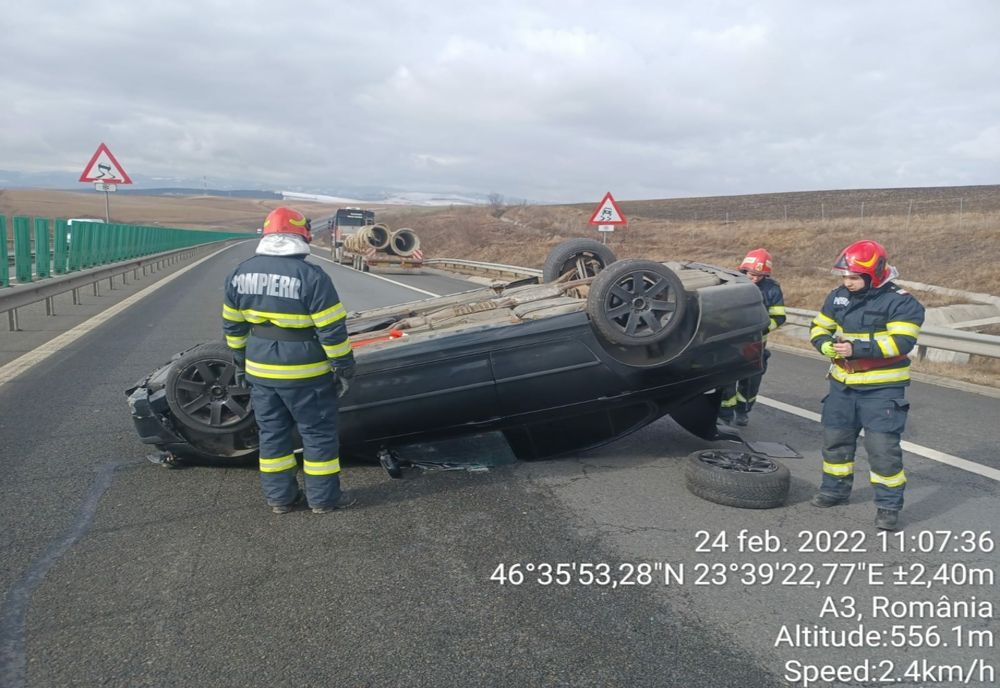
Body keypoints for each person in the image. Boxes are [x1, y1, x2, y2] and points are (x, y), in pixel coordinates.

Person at [223, 206, 357, 514]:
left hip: (260, 371)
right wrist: (344, 367)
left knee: (272, 435)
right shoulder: (311, 276)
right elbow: (331, 330)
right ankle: (324, 500)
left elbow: (233, 326)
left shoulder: (240, 272)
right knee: (317, 435)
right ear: (302, 236)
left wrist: (241, 363)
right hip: (305, 373)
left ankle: (280, 499)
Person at [808, 239, 924, 531]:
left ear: (875, 274)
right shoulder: (837, 296)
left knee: (882, 450)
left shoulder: (901, 301)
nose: (847, 282)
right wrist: (826, 347)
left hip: (882, 392)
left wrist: (856, 348)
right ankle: (834, 490)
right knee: (835, 443)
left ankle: (888, 506)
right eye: (845, 276)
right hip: (841, 386)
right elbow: (818, 327)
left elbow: (902, 341)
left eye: (854, 277)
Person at [718, 248, 786, 426]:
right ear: (743, 270)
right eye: (751, 273)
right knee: (726, 380)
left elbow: (779, 316)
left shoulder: (772, 290)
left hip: (755, 345)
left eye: (759, 274)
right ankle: (725, 414)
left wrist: (762, 329)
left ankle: (743, 411)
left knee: (750, 382)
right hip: (732, 344)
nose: (754, 278)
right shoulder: (731, 284)